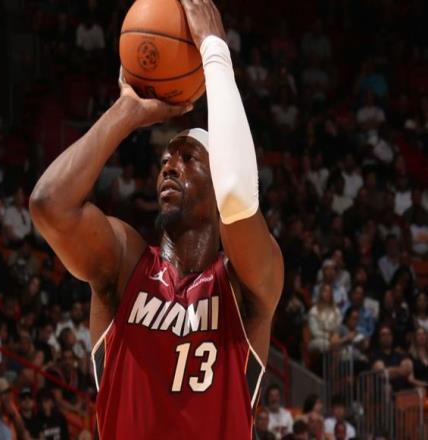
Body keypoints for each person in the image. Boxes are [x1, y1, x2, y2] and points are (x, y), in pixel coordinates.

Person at [29, 1, 284, 439]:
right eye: (165, 159)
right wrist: (127, 110)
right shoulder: (126, 262)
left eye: (188, 158)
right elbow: (49, 204)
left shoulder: (246, 283)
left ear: (218, 172)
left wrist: (214, 50)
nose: (169, 166)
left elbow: (238, 195)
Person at [308, 283, 342, 353]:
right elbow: (315, 332)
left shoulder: (336, 311)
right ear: (320, 293)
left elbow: (338, 328)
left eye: (329, 291)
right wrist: (329, 336)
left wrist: (335, 336)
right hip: (318, 339)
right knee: (329, 344)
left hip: (334, 338)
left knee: (341, 344)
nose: (327, 293)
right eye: (325, 291)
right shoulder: (314, 311)